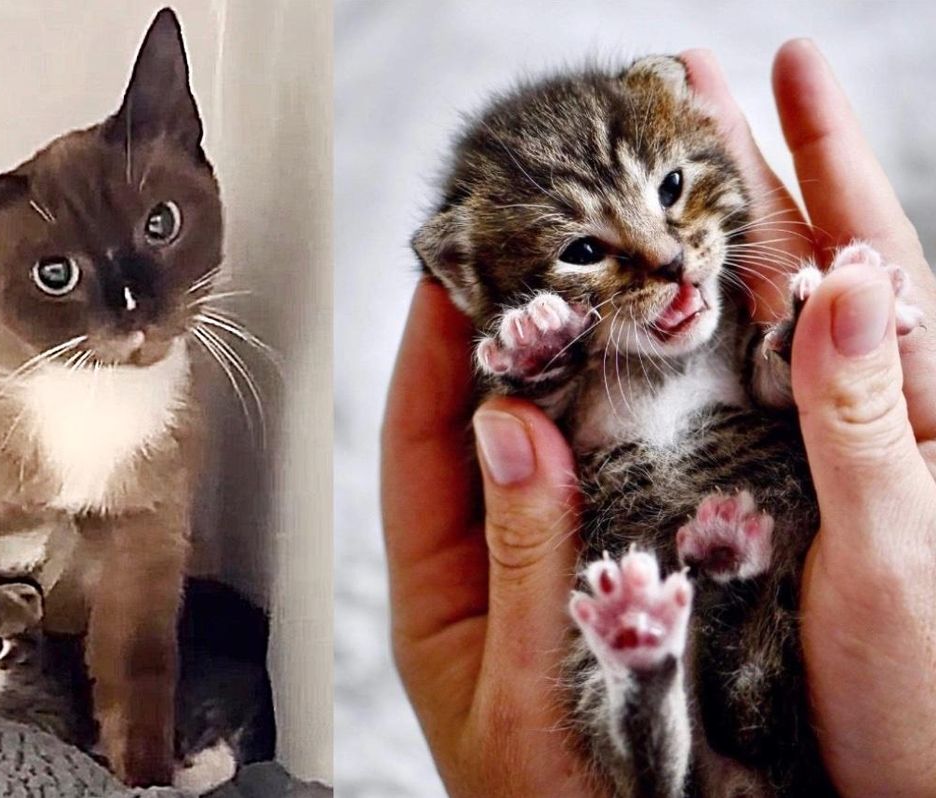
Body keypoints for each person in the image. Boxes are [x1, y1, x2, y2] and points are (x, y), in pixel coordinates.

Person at [380, 38, 936, 798]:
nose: (668, 256)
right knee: (611, 657)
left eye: (672, 186)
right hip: (666, 579)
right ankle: (653, 706)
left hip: (765, 587)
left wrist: (820, 335)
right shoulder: (575, 373)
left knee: (724, 678)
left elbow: (775, 382)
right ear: (478, 281)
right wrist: (541, 364)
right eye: (583, 248)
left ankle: (657, 692)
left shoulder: (736, 320)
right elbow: (534, 425)